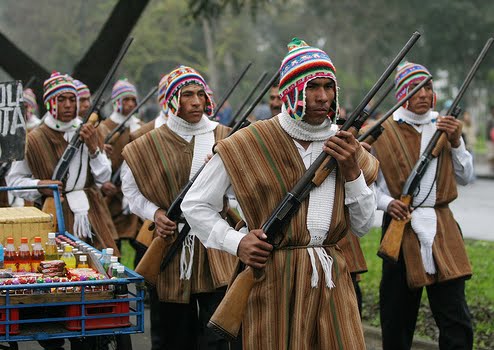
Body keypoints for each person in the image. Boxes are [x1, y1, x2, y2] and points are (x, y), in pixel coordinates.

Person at [182, 38, 379, 349]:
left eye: (329, 87)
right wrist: (237, 242)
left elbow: (363, 225)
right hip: (271, 281)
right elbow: (195, 204)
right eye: (313, 86)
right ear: (291, 91)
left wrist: (353, 172)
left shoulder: (347, 147)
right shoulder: (246, 143)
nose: (323, 96)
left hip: (332, 282)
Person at [121, 66, 238, 349]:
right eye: (187, 95)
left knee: (217, 334)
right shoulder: (148, 143)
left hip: (216, 246)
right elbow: (131, 190)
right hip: (171, 247)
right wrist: (156, 214)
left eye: (200, 94)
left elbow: (238, 193)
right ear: (173, 100)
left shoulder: (225, 136)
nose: (197, 101)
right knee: (172, 335)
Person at [372, 62, 474, 350]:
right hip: (399, 226)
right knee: (397, 316)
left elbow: (466, 176)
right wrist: (388, 203)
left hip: (442, 226)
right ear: (402, 92)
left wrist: (456, 142)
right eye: (416, 88)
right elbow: (367, 186)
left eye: (428, 87)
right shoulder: (381, 132)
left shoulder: (445, 127)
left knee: (456, 316)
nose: (423, 94)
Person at [6, 72, 119, 254]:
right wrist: (39, 186)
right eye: (61, 99)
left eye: (72, 99)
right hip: (51, 214)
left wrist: (93, 149)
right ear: (49, 103)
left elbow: (103, 177)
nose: (68, 105)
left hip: (90, 213)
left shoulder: (89, 131)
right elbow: (14, 182)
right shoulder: (32, 139)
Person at [98, 79, 142, 251]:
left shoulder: (140, 127)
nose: (131, 104)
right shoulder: (103, 127)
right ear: (117, 101)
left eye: (133, 100)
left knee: (140, 242)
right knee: (111, 245)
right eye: (126, 100)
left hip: (134, 193)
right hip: (110, 193)